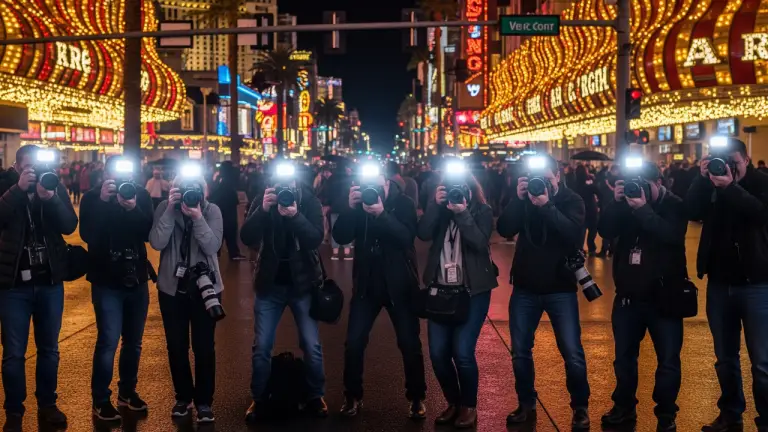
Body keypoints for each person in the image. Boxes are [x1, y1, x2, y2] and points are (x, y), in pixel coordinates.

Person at [497, 154, 591, 429]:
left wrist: (547, 205)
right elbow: (504, 229)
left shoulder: (572, 200)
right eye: (538, 180)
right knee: (520, 351)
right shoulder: (523, 198)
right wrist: (518, 198)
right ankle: (526, 404)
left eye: (547, 179)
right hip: (526, 287)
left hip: (560, 287)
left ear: (558, 176)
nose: (541, 185)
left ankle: (580, 407)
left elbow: (573, 234)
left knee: (572, 352)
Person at [598, 161, 688, 432]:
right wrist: (615, 203)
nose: (637, 191)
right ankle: (623, 407)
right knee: (623, 358)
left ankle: (666, 414)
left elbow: (671, 235)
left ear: (658, 183)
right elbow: (605, 230)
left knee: (668, 361)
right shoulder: (624, 203)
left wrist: (643, 209)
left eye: (643, 186)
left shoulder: (674, 205)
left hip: (665, 296)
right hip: (628, 296)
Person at [686, 138, 768, 432]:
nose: (728, 168)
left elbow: (760, 213)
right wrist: (701, 177)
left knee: (762, 362)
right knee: (724, 359)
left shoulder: (762, 182)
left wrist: (729, 187)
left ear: (746, 159)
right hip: (720, 283)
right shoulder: (711, 183)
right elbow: (690, 210)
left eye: (733, 162)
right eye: (722, 162)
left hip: (758, 284)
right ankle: (731, 414)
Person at [332, 164, 426, 419]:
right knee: (353, 343)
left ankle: (416, 397)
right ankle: (352, 396)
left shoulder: (403, 202)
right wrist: (350, 210)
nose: (372, 189)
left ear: (387, 183)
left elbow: (406, 237)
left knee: (409, 343)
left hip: (400, 285)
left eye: (377, 183)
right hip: (366, 285)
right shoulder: (359, 202)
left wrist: (382, 213)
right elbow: (340, 237)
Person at [241, 163, 328, 422]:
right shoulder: (263, 198)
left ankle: (316, 396)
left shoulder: (309, 201)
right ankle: (257, 399)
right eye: (281, 183)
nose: (285, 189)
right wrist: (263, 210)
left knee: (311, 345)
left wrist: (294, 215)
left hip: (302, 285)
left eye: (290, 183)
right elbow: (246, 236)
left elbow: (315, 238)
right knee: (262, 346)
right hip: (270, 285)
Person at [0, 145, 78, 432]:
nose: (37, 174)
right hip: (13, 287)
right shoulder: (5, 184)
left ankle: (47, 404)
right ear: (18, 166)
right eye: (31, 168)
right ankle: (14, 412)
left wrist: (53, 198)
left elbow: (70, 225)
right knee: (13, 354)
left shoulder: (51, 185)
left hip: (48, 283)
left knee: (49, 349)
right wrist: (19, 190)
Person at [417, 169, 497, 428]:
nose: (455, 194)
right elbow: (423, 233)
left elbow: (478, 242)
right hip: (440, 290)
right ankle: (453, 402)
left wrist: (462, 212)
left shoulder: (482, 211)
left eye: (460, 189)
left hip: (472, 292)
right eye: (450, 189)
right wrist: (434, 205)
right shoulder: (440, 210)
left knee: (462, 352)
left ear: (471, 189)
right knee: (439, 354)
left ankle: (468, 406)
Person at [79, 156, 154, 421]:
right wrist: (103, 202)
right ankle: (101, 398)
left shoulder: (140, 195)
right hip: (106, 279)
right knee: (108, 341)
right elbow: (89, 234)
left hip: (136, 277)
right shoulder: (92, 198)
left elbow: (149, 233)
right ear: (105, 173)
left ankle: (127, 392)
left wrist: (133, 208)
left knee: (133, 342)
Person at [149, 168, 223, 424]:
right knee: (177, 346)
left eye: (195, 189)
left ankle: (204, 401)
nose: (190, 195)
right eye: (183, 189)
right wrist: (170, 210)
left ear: (203, 192)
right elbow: (157, 243)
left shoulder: (212, 211)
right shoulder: (165, 208)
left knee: (204, 347)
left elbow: (213, 246)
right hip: (172, 287)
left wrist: (198, 217)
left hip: (206, 289)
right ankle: (183, 397)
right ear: (174, 191)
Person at [209, 162, 245, 261]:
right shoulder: (227, 181)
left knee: (222, 231)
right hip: (227, 209)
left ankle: (218, 253)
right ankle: (232, 253)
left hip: (220, 209)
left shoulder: (218, 179)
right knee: (229, 231)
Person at [326, 165, 354, 260]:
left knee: (334, 228)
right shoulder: (348, 179)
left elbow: (327, 193)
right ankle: (347, 252)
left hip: (334, 207)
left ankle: (335, 253)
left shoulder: (331, 179)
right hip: (346, 207)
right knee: (347, 227)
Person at [574, 165, 600, 256]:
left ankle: (580, 249)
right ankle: (591, 248)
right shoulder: (590, 183)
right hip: (592, 209)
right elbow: (598, 191)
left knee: (581, 231)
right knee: (593, 230)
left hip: (580, 209)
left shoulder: (574, 183)